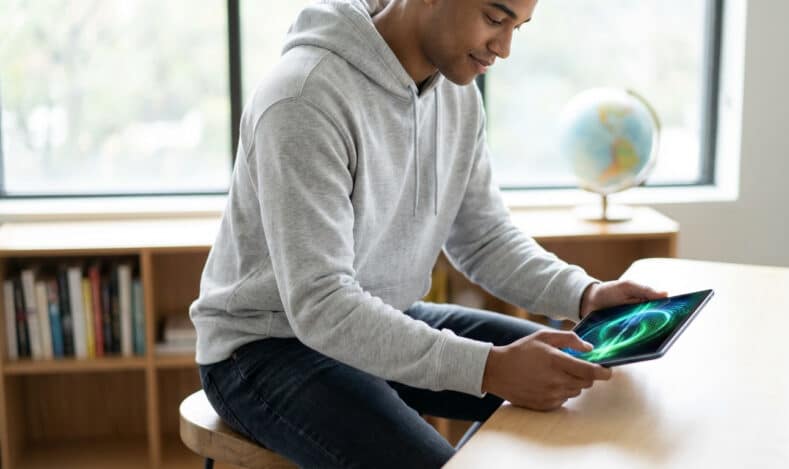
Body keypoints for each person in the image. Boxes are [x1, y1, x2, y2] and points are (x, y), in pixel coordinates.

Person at [190, 0, 667, 467]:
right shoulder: (304, 97)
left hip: (385, 313)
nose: (503, 48)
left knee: (585, 380)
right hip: (266, 348)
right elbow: (322, 305)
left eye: (517, 28)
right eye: (494, 18)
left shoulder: (457, 93)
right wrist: (489, 367)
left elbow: (484, 237)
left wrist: (584, 294)